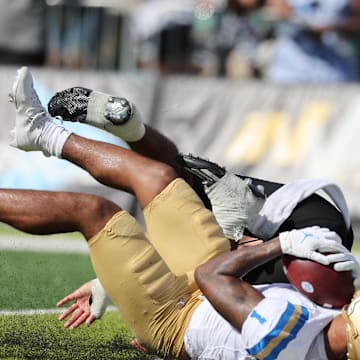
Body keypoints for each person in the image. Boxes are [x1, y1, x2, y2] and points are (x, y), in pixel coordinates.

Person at [7, 66, 360, 359]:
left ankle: (130, 134)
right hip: (223, 280)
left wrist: (283, 243)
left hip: (175, 315)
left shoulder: (286, 335)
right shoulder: (332, 319)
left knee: (92, 210)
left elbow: (212, 275)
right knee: (159, 177)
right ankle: (42, 131)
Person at [47, 83, 354, 285]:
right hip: (302, 253)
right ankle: (51, 137)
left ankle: (131, 128)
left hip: (319, 217)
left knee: (179, 181)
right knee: (205, 267)